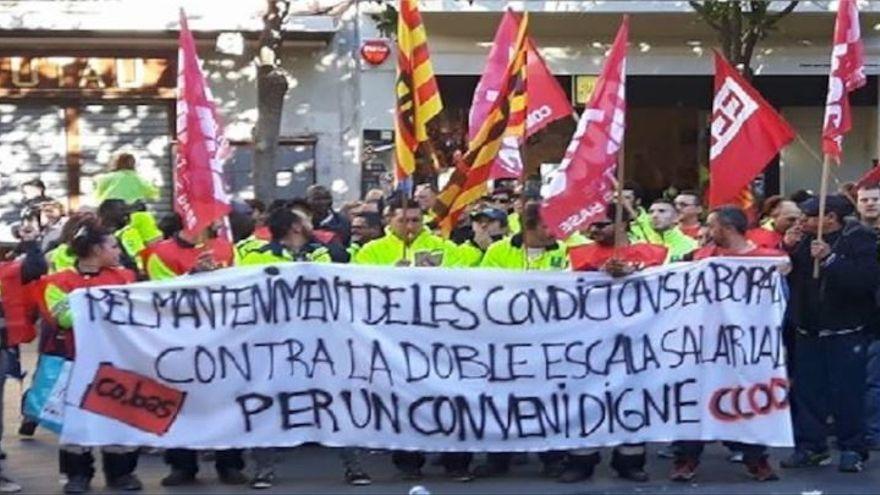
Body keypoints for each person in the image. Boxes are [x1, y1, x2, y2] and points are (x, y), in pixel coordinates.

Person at [239, 208, 369, 488]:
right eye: (305, 220)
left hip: (322, 345)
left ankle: (353, 466)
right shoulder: (256, 256)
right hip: (275, 345)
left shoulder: (322, 254)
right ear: (295, 227)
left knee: (335, 402)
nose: (311, 224)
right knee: (270, 404)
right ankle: (264, 469)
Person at [354, 193, 470, 481]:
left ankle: (456, 461)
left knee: (449, 397)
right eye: (403, 220)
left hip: (440, 337)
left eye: (416, 220)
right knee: (403, 400)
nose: (411, 226)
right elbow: (358, 287)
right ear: (388, 220)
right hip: (394, 340)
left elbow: (466, 281)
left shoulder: (444, 248)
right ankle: (408, 459)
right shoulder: (371, 251)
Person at [670, 206, 784, 482]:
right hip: (704, 346)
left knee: (747, 399)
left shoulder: (765, 258)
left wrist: (781, 268)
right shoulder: (703, 256)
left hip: (746, 349)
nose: (705, 231)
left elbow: (784, 267)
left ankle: (756, 458)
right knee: (696, 400)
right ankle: (686, 458)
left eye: (711, 225)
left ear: (728, 228)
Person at [562, 204, 665, 484]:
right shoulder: (577, 255)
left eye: (602, 224)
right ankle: (581, 461)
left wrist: (632, 274)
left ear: (623, 224)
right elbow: (561, 293)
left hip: (636, 342)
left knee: (632, 401)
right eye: (592, 225)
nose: (594, 230)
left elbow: (669, 285)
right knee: (585, 401)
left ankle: (630, 461)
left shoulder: (653, 254)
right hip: (589, 342)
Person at [37, 222, 141, 493]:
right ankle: (77, 475)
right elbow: (64, 319)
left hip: (117, 363)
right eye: (114, 246)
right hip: (75, 362)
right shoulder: (56, 282)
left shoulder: (126, 278)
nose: (119, 251)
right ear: (96, 249)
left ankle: (121, 474)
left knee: (118, 418)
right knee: (75, 423)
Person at [782, 195, 878, 473]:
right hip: (807, 330)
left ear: (831, 218)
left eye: (809, 216)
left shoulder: (860, 240)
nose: (802, 221)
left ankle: (852, 448)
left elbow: (865, 281)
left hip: (845, 331)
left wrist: (830, 259)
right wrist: (786, 248)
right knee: (808, 393)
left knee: (847, 393)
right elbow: (787, 273)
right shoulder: (801, 241)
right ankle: (811, 446)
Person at [473, 201, 567, 479]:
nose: (555, 231)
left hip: (550, 341)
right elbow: (485, 289)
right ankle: (498, 457)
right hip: (506, 340)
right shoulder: (499, 251)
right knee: (502, 399)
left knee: (548, 400)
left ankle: (552, 458)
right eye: (547, 225)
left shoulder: (565, 250)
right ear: (530, 226)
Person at [144, 225, 243, 487]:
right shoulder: (161, 253)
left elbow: (242, 284)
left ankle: (230, 462)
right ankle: (182, 464)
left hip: (223, 338)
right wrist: (192, 276)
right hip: (180, 340)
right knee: (180, 402)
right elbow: (160, 294)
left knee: (226, 402)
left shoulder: (225, 246)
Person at [858, 184, 880, 451]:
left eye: (875, 199)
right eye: (865, 200)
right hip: (860, 318)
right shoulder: (849, 234)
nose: (871, 204)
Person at [632, 198, 698, 262]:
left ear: (677, 217)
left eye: (662, 211)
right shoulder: (640, 246)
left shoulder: (692, 247)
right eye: (651, 212)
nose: (654, 215)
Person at [92, 153, 159, 205]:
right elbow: (153, 194)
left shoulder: (108, 177)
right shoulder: (140, 179)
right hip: (133, 212)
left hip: (111, 212)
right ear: (134, 164)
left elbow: (97, 190)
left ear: (116, 163)